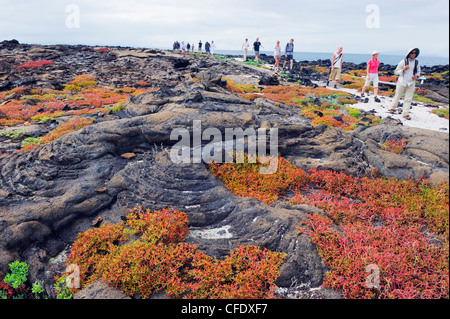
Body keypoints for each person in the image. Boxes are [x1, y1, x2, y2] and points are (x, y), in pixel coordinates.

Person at [388, 48, 421, 120]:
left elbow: (418, 72)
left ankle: (405, 114)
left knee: (408, 99)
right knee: (398, 95)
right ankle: (392, 108)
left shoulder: (417, 63)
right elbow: (396, 72)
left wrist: (417, 76)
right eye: (412, 53)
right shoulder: (403, 61)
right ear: (409, 53)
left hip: (411, 82)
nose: (413, 54)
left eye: (415, 53)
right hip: (402, 81)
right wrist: (403, 69)